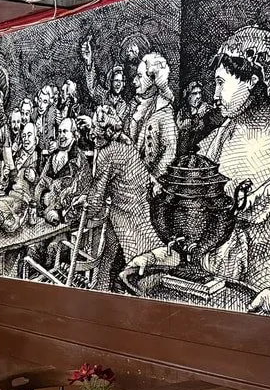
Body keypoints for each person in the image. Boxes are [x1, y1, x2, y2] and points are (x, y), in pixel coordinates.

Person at [123, 26, 270, 319]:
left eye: (221, 83)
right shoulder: (214, 143)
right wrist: (152, 259)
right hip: (209, 302)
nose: (214, 95)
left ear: (252, 80)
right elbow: (197, 240)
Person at [71, 110, 159, 290]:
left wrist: (75, 213)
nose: (92, 134)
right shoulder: (125, 143)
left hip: (127, 212)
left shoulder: (107, 154)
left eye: (96, 130)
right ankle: (102, 288)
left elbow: (96, 199)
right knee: (111, 253)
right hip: (140, 205)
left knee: (138, 262)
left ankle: (109, 289)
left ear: (105, 132)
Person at [128, 52, 178, 180]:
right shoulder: (138, 107)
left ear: (153, 79)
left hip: (153, 183)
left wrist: (152, 178)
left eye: (140, 76)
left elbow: (169, 153)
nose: (134, 81)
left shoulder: (164, 111)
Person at [0, 122, 40, 233]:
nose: (26, 139)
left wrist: (34, 177)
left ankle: (14, 220)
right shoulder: (18, 155)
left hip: (25, 201)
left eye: (29, 135)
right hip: (11, 197)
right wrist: (6, 176)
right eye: (24, 136)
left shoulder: (39, 157)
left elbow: (43, 181)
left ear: (36, 140)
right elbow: (10, 182)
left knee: (7, 222)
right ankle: (10, 219)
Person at [35, 117, 87, 224]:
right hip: (44, 211)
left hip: (65, 217)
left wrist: (58, 206)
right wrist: (43, 197)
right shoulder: (53, 155)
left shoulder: (79, 158)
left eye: (65, 131)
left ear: (73, 134)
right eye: (59, 132)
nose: (61, 135)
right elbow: (41, 181)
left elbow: (80, 190)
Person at [175, 80, 214, 157]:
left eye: (200, 93)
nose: (198, 96)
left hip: (201, 152)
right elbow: (180, 127)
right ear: (188, 95)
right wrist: (197, 116)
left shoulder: (207, 109)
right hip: (183, 153)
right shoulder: (182, 111)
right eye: (194, 93)